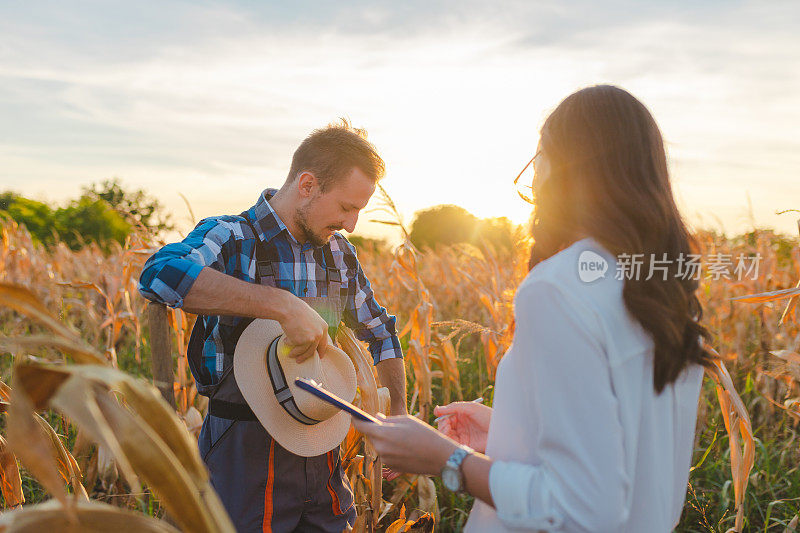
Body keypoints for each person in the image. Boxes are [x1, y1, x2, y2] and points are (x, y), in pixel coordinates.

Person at [353, 85, 716, 532]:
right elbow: (624, 452)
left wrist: (448, 459)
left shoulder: (557, 289)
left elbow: (583, 509)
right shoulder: (665, 291)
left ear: (561, 170)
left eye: (537, 158)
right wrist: (510, 434)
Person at [138, 120, 407, 532]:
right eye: (346, 207)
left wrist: (398, 418)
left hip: (320, 446)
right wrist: (280, 305)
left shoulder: (339, 255)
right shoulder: (232, 236)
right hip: (241, 450)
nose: (352, 224)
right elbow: (160, 275)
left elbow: (383, 333)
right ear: (307, 184)